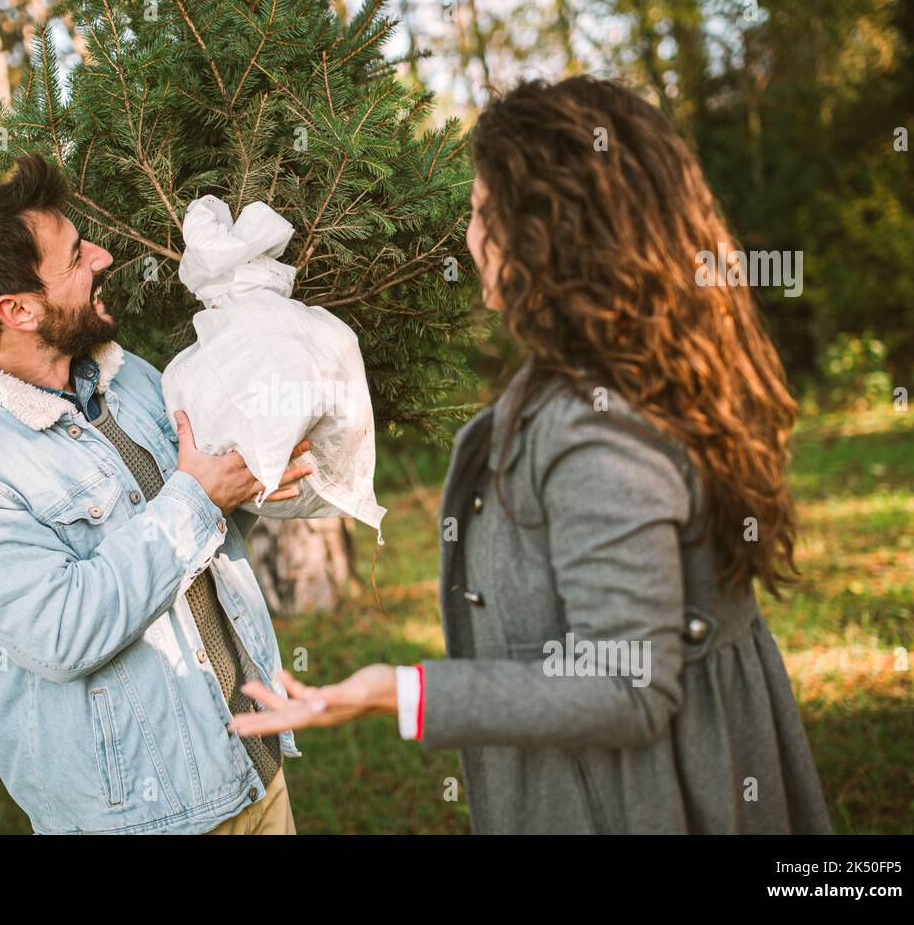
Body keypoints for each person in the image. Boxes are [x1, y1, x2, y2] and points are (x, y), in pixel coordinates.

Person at [230, 76, 834, 835]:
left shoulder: (597, 427)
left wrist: (398, 690)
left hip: (649, 795)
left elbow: (628, 686)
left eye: (485, 213)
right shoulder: (655, 367)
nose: (471, 236)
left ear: (545, 228)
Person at [0, 155, 310, 834]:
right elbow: (65, 631)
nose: (103, 254)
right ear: (18, 309)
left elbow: (208, 501)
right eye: (74, 255)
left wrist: (261, 467)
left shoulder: (126, 377)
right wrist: (198, 500)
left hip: (255, 767)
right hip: (146, 820)